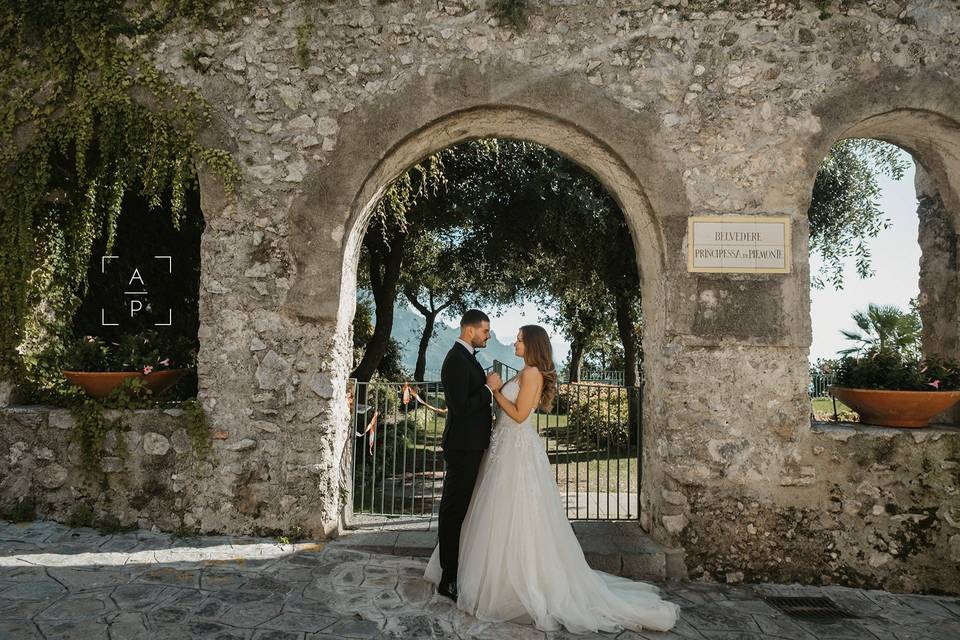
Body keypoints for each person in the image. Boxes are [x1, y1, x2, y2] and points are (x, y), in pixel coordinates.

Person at [425, 324, 679, 634]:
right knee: (497, 515)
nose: (514, 342)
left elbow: (519, 416)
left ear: (531, 344)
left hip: (517, 451)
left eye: (519, 339)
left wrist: (493, 390)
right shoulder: (524, 371)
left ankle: (519, 583)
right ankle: (492, 576)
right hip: (503, 449)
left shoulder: (532, 374)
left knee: (520, 516)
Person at [433, 309, 503, 602]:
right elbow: (460, 408)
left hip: (471, 445)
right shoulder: (455, 361)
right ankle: (448, 578)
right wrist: (488, 388)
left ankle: (455, 570)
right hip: (462, 447)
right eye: (485, 331)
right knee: (453, 510)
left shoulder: (466, 358)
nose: (488, 336)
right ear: (470, 330)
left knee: (461, 508)